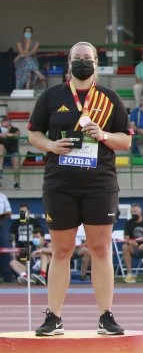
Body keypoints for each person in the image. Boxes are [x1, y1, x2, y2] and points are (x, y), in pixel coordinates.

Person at [27, 41, 131, 336]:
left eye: (88, 57)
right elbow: (33, 133)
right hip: (60, 184)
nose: (83, 61)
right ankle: (54, 317)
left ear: (97, 62)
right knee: (61, 250)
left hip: (99, 184)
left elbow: (126, 141)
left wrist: (103, 134)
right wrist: (50, 145)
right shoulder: (51, 96)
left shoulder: (110, 98)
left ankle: (106, 316)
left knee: (100, 249)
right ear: (68, 63)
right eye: (77, 58)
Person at [122, 203, 143, 283]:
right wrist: (131, 242)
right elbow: (126, 238)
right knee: (125, 247)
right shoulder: (129, 223)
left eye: (135, 211)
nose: (133, 213)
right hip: (134, 248)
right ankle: (129, 274)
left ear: (140, 211)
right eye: (132, 212)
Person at [14, 26, 47, 90]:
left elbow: (32, 53)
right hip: (20, 62)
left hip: (33, 61)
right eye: (26, 31)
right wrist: (28, 43)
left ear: (32, 33)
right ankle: (39, 75)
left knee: (27, 62)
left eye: (29, 31)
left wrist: (26, 52)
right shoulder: (19, 43)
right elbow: (22, 53)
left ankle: (27, 88)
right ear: (24, 33)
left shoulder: (36, 43)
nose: (28, 33)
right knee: (27, 59)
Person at [0, 115, 22, 189]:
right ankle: (0, 169)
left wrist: (7, 134)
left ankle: (16, 182)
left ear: (10, 122)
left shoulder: (14, 129)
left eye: (7, 121)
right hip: (2, 153)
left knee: (16, 158)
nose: (5, 122)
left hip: (13, 153)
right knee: (0, 147)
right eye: (4, 121)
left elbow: (18, 134)